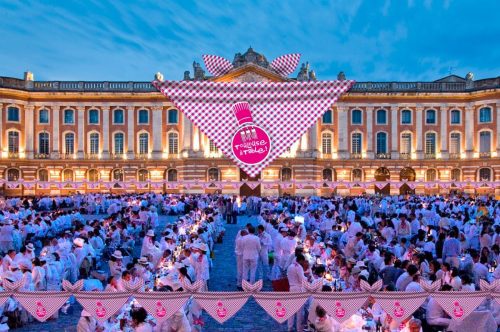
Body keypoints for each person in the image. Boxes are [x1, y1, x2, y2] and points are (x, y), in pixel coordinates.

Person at [287, 253, 307, 332]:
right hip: (298, 289)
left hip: (291, 288)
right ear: (300, 260)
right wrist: (307, 277)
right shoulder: (298, 267)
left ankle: (290, 327)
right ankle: (299, 329)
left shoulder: (290, 266)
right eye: (303, 261)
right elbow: (302, 280)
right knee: (299, 311)